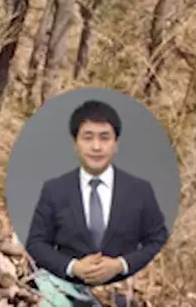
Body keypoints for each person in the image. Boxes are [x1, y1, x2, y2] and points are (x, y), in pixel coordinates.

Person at [24, 100, 168, 304]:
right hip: (65, 293)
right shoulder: (54, 190)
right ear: (76, 143)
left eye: (104, 138)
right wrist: (73, 267)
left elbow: (157, 238)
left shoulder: (139, 190)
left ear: (116, 144)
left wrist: (121, 265)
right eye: (88, 138)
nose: (96, 146)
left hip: (121, 296)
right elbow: (36, 243)